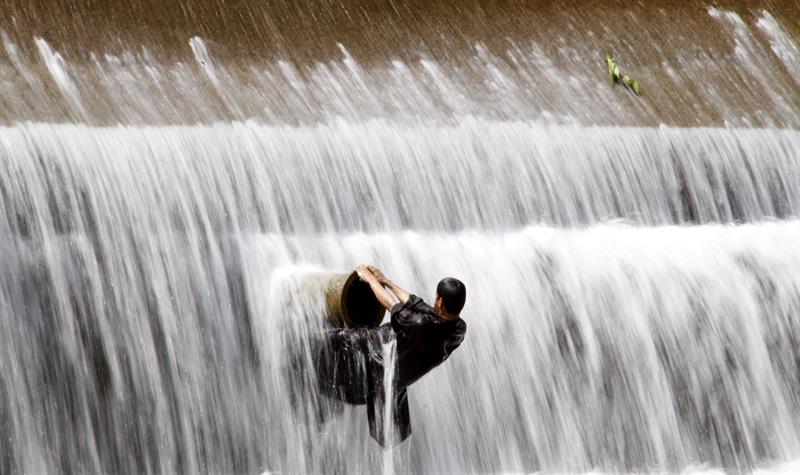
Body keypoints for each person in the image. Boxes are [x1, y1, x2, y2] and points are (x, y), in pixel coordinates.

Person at [314, 265, 467, 446]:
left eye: (436, 297)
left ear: (440, 302)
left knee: (318, 343)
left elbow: (391, 306)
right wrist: (385, 281)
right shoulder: (458, 329)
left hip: (375, 352)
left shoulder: (419, 325)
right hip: (396, 367)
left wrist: (370, 280)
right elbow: (417, 304)